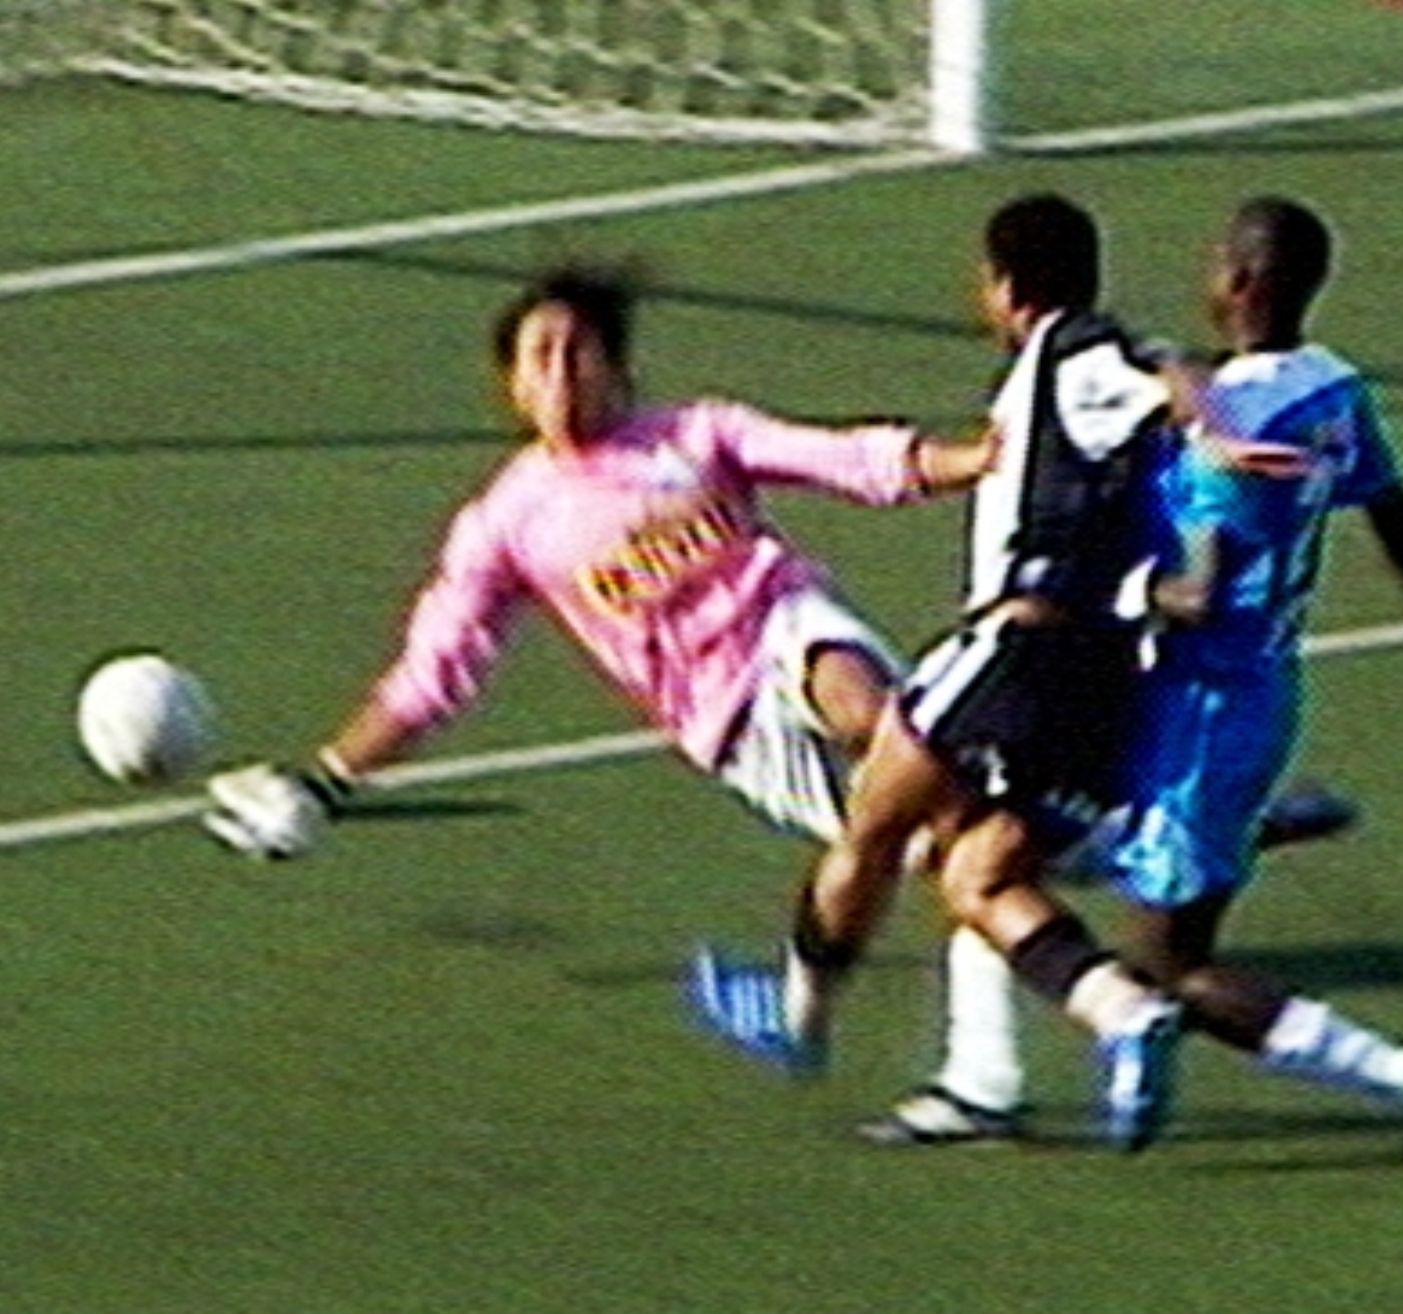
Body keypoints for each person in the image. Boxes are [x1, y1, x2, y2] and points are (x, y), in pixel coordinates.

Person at [859, 194, 1403, 1148]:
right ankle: (988, 1069)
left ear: (1237, 281)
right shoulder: (1333, 391)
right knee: (990, 851)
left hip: (1190, 712)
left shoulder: (1222, 429)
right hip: (1259, 696)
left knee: (1168, 966)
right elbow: (1394, 512)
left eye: (1212, 262)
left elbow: (1192, 589)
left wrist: (1112, 591)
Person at [692, 193, 1215, 1151]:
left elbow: (1154, 374)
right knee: (977, 871)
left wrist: (1199, 405)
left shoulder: (1070, 354)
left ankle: (797, 1021)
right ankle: (1121, 1015)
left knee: (874, 824)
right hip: (1105, 670)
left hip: (1019, 651)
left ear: (1005, 288)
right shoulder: (1072, 389)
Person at [201, 262, 997, 863]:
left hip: (786, 625)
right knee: (944, 849)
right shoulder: (505, 523)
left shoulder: (694, 436)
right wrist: (325, 779)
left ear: (618, 369)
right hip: (727, 718)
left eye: (577, 351)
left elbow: (844, 459)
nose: (559, 373)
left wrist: (973, 460)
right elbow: (434, 674)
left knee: (873, 715)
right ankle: (1018, 1031)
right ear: (512, 385)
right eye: (538, 357)